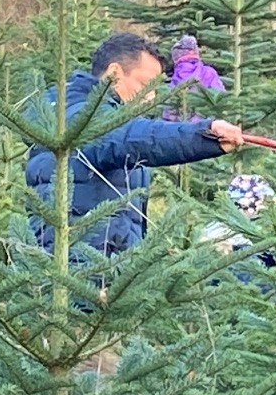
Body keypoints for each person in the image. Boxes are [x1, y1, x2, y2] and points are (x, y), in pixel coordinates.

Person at [25, 32, 244, 256]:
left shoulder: (77, 110)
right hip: (85, 267)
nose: (150, 98)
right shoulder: (83, 117)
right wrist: (203, 135)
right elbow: (127, 137)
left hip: (110, 264)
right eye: (145, 85)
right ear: (114, 73)